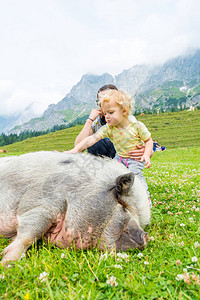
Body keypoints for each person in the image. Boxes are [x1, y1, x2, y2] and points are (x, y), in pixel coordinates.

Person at [68, 89, 153, 199]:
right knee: (114, 174)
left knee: (135, 177)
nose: (107, 116)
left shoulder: (136, 125)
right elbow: (91, 139)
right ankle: (115, 195)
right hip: (119, 156)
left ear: (124, 111)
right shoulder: (108, 128)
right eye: (105, 113)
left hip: (134, 159)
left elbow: (148, 140)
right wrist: (76, 150)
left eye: (111, 113)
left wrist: (146, 154)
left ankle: (144, 198)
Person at [75, 84, 146, 160]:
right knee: (96, 141)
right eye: (101, 101)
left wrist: (144, 150)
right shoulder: (96, 122)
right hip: (101, 164)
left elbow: (147, 143)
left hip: (123, 160)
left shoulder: (128, 121)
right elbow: (78, 146)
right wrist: (90, 120)